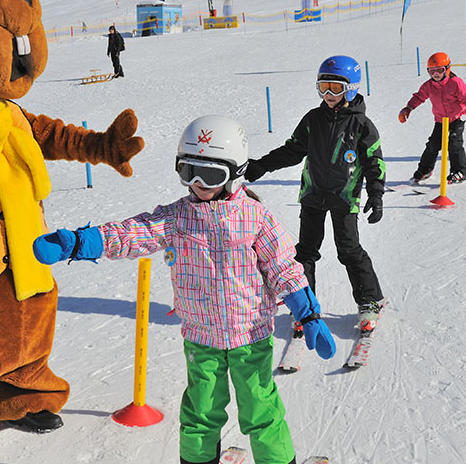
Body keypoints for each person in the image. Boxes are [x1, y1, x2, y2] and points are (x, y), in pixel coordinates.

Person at [33, 115, 336, 464]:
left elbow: (284, 268)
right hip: (201, 338)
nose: (197, 183)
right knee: (199, 415)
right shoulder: (177, 218)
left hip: (250, 336)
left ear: (234, 174)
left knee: (261, 412)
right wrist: (79, 242)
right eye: (188, 171)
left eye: (209, 175)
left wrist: (308, 313)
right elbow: (131, 233)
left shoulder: (255, 218)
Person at [244, 55, 386, 330]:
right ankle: (305, 306)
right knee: (305, 252)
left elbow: (374, 162)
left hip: (344, 198)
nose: (329, 94)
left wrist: (376, 194)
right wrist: (263, 165)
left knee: (349, 249)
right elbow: (293, 149)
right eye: (323, 88)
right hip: (312, 196)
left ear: (351, 88)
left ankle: (369, 300)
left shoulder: (361, 125)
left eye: (335, 88)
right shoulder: (313, 119)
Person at [397, 52, 466, 184]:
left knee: (454, 143)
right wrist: (408, 108)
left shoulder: (456, 83)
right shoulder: (428, 86)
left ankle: (461, 171)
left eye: (439, 70)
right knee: (433, 145)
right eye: (432, 71)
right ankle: (425, 170)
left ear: (448, 69)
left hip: (457, 117)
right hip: (440, 120)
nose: (436, 74)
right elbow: (419, 97)